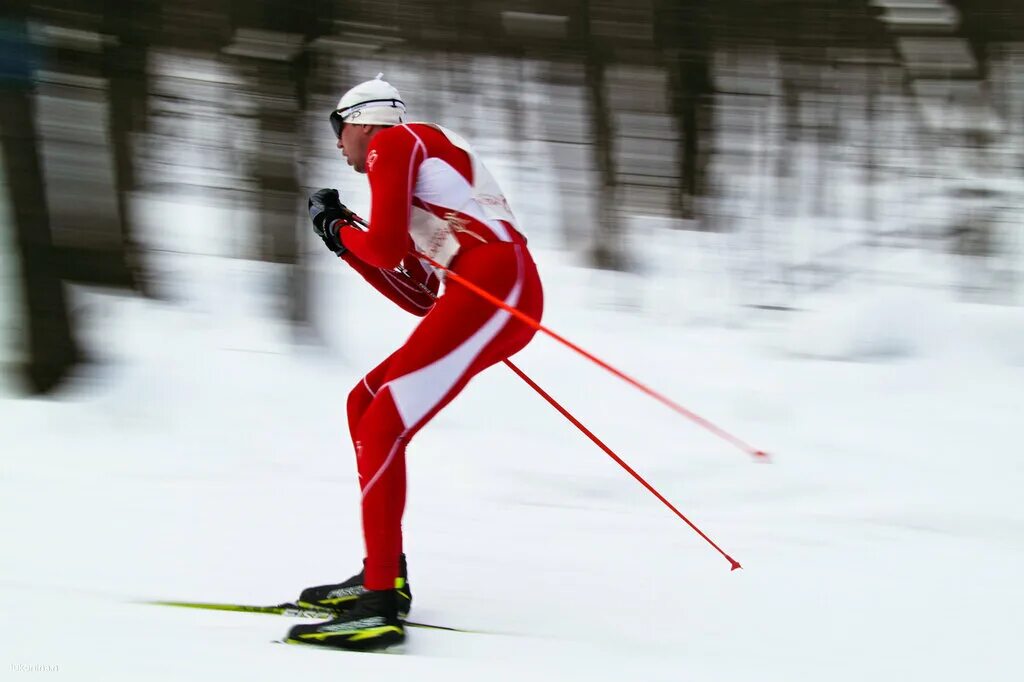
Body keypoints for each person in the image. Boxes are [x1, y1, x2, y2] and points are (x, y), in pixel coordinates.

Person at [286, 75, 544, 651]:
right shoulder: (416, 166)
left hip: (494, 284)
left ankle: (378, 606)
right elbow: (418, 298)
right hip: (487, 287)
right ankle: (385, 574)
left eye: (338, 130)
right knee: (365, 403)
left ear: (361, 121)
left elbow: (384, 249)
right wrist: (341, 238)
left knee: (384, 422)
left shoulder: (394, 141)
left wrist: (343, 230)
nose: (338, 146)